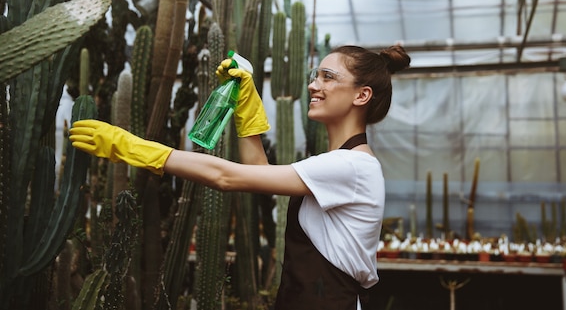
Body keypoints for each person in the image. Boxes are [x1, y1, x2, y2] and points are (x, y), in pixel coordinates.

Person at [69, 44, 411, 310]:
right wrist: (246, 103)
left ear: (361, 95)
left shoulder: (353, 167)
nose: (313, 85)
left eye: (327, 77)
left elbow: (226, 177)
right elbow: (257, 174)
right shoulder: (339, 164)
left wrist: (136, 148)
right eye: (315, 75)